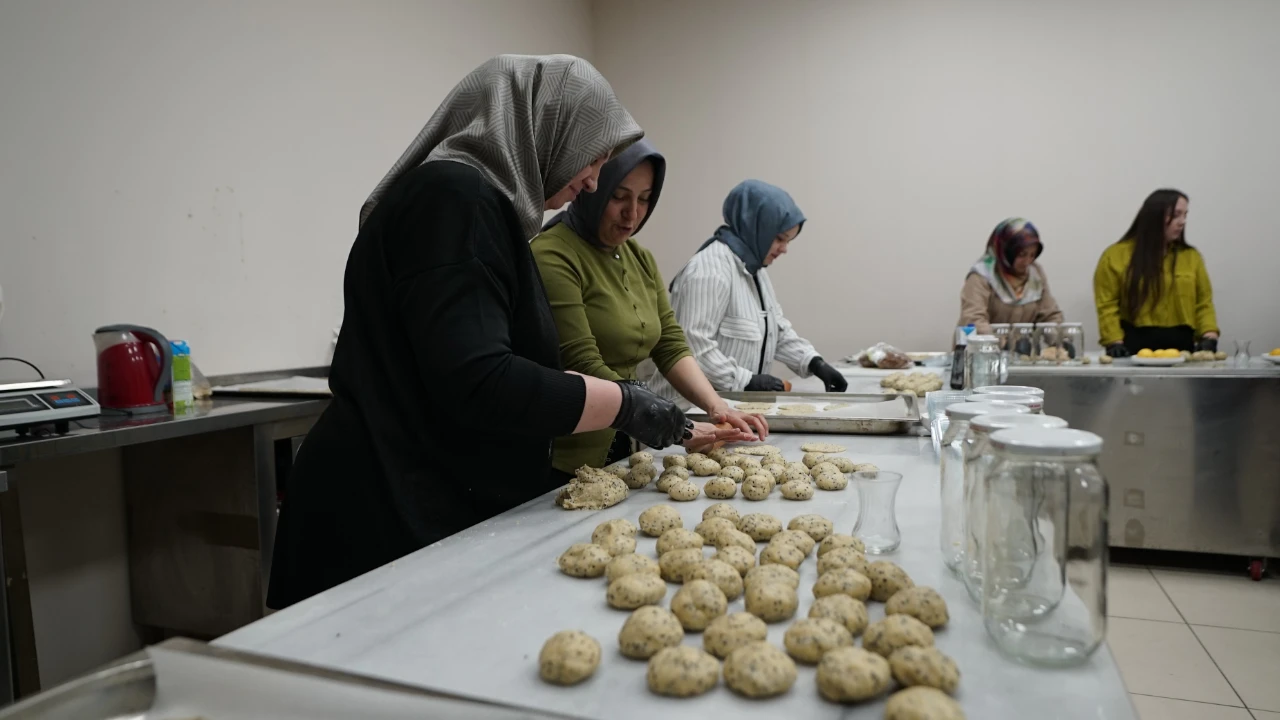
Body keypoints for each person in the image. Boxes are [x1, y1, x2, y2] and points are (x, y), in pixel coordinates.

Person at [267, 55, 697, 609]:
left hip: (423, 497)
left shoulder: (483, 208)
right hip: (380, 520)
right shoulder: (455, 200)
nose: (592, 180)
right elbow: (480, 381)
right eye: (593, 159)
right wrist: (623, 403)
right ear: (544, 125)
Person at [532, 141, 766, 474]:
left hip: (625, 440)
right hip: (568, 450)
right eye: (618, 196)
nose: (633, 213)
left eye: (644, 199)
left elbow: (669, 344)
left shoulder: (637, 256)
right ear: (593, 188)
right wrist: (673, 424)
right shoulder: (553, 255)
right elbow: (582, 361)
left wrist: (717, 407)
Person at [642, 179, 848, 403]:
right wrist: (745, 380)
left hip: (728, 413)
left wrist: (813, 362)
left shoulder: (754, 270)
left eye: (788, 240)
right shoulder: (709, 270)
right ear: (756, 228)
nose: (785, 249)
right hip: (687, 414)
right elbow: (692, 348)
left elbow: (775, 330)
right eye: (779, 239)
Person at [1093, 189, 1219, 356]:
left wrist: (1209, 336)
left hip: (1182, 348)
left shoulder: (1191, 257)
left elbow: (1203, 302)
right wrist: (1113, 342)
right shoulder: (1115, 256)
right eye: (1175, 215)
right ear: (1154, 216)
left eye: (1184, 215)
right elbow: (1107, 305)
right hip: (1133, 348)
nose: (1182, 222)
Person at [958, 218, 1064, 334]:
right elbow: (974, 320)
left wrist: (1056, 337)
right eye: (1022, 254)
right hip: (983, 348)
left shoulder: (1035, 274)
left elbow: (1050, 315)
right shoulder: (981, 276)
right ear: (1006, 251)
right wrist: (1005, 344)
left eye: (1032, 255)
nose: (1027, 261)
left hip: (1023, 350)